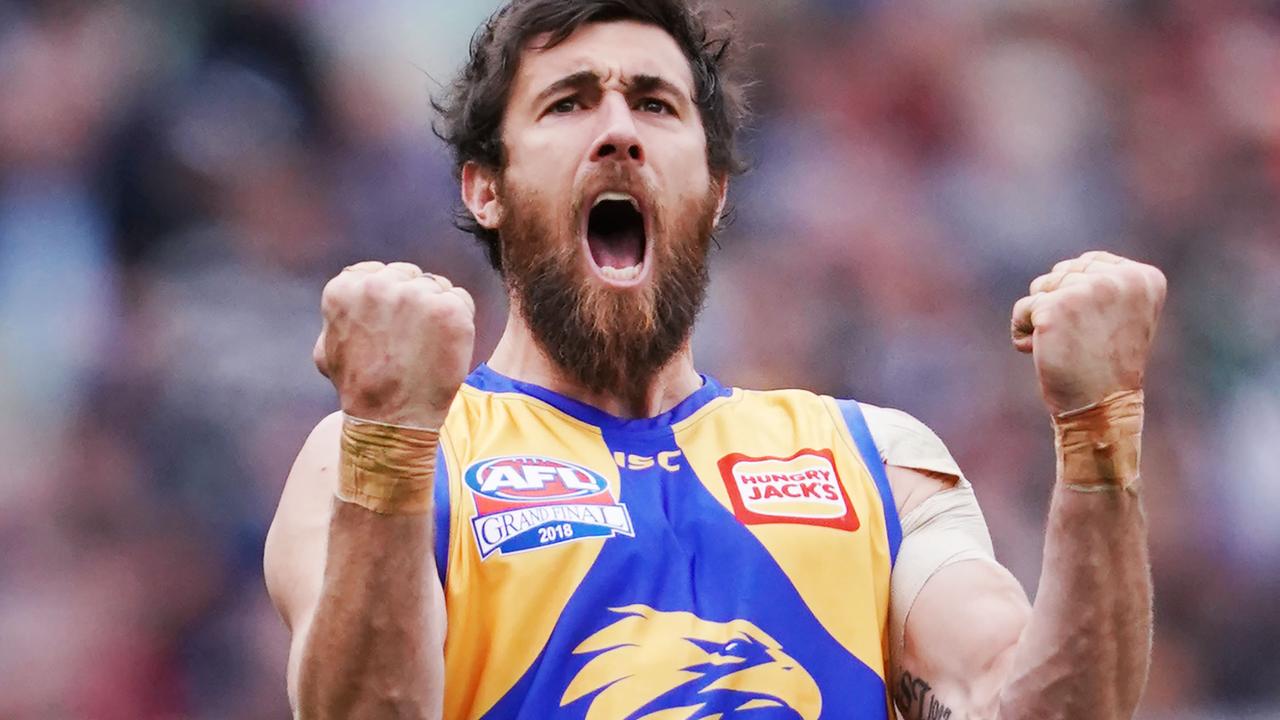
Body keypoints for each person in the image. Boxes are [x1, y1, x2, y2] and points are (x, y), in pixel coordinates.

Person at [264, 1, 1165, 717]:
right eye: (569, 102)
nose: (618, 133)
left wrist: (1098, 437)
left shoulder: (875, 462)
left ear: (717, 188)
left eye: (654, 105)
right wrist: (388, 435)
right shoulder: (388, 457)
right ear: (485, 188)